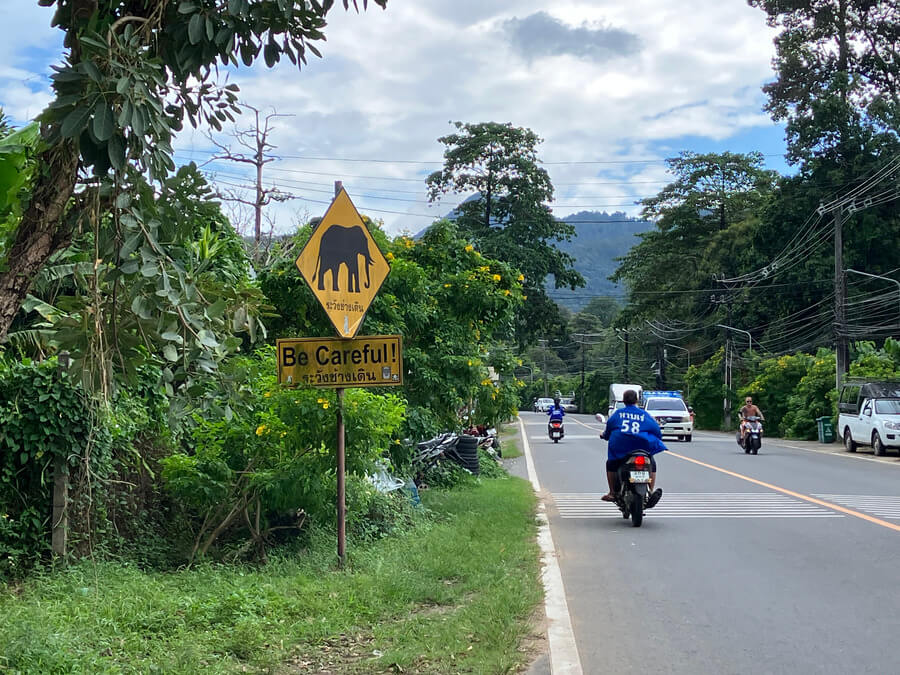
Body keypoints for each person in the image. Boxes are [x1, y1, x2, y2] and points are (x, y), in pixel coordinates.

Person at [600, 389, 665, 507]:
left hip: (621, 449)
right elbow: (657, 431)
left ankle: (612, 493)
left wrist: (604, 436)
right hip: (642, 449)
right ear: (637, 400)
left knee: (611, 464)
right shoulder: (644, 414)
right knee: (651, 464)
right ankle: (650, 491)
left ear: (623, 401)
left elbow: (608, 431)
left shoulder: (618, 414)